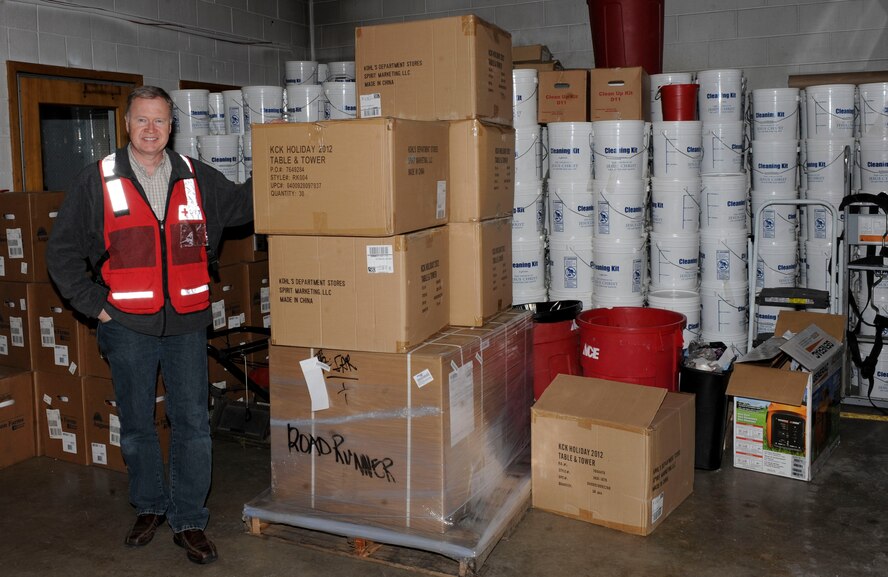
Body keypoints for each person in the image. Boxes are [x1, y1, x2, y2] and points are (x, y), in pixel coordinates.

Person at [46, 85, 255, 565]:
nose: (151, 129)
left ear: (171, 126)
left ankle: (187, 518)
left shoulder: (195, 176)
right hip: (127, 327)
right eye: (142, 119)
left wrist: (289, 163)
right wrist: (97, 307)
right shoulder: (98, 180)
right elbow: (61, 253)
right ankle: (150, 505)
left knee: (193, 426)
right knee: (138, 426)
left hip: (186, 324)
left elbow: (244, 207)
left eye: (160, 120)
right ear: (126, 123)